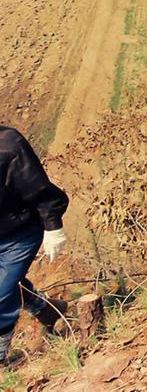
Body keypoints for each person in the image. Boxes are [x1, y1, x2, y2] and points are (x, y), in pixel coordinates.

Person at [0, 126, 68, 362]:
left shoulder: (8, 145)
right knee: (7, 286)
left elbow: (41, 190)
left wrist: (53, 227)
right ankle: (51, 312)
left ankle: (0, 356)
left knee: (0, 294)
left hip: (19, 233)